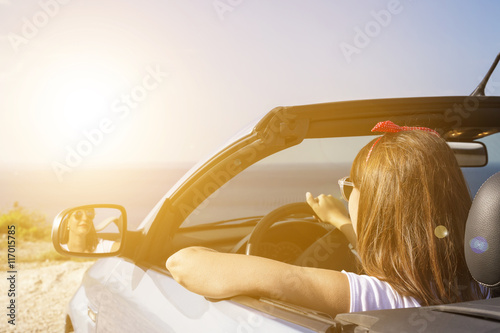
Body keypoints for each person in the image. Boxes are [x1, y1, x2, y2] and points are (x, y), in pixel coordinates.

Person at [166, 120, 488, 317]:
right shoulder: (481, 286)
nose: (348, 194)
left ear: (378, 209)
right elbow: (398, 256)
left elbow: (182, 264)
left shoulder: (374, 299)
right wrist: (341, 221)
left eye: (351, 186)